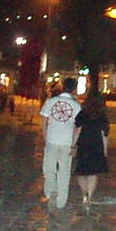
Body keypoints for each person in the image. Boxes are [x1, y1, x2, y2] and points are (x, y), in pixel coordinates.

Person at [39, 77, 82, 210]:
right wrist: (74, 144)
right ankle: (61, 201)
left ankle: (51, 190)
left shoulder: (50, 101)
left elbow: (44, 121)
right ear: (74, 89)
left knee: (49, 168)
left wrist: (45, 136)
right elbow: (78, 127)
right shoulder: (76, 105)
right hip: (67, 142)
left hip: (52, 140)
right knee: (64, 171)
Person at [74, 91, 110, 206]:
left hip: (84, 144)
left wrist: (73, 145)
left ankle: (84, 193)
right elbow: (104, 135)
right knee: (93, 173)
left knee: (81, 172)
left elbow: (77, 130)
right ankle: (89, 196)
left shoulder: (82, 114)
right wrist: (105, 151)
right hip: (96, 145)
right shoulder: (102, 116)